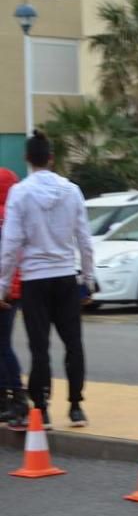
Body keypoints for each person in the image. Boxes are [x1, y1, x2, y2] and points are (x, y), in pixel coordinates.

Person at [0, 131, 94, 429]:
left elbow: (11, 244)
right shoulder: (72, 191)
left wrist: (2, 286)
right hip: (66, 275)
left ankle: (42, 408)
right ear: (51, 158)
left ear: (28, 158)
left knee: (39, 347)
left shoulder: (21, 193)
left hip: (34, 279)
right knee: (73, 343)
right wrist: (88, 279)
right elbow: (85, 240)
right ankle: (76, 406)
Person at [0, 168, 29, 428]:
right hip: (15, 288)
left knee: (3, 346)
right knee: (3, 344)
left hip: (4, 289)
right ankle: (9, 399)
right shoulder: (15, 215)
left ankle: (16, 398)